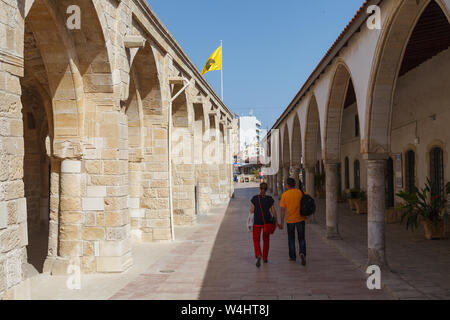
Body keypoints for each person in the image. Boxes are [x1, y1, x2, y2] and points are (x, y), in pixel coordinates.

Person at [248, 182, 278, 268]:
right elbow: (273, 211)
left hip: (257, 222)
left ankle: (258, 254)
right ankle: (265, 258)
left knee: (256, 240)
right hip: (267, 222)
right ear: (267, 189)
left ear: (259, 188)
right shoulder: (269, 199)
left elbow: (252, 210)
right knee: (266, 240)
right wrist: (276, 220)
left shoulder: (255, 198)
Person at [279, 178, 308, 266]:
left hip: (290, 220)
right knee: (301, 238)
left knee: (291, 239)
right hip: (301, 218)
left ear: (287, 185)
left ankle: (292, 256)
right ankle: (302, 253)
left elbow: (283, 210)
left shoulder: (285, 195)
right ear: (295, 184)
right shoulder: (301, 192)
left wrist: (282, 222)